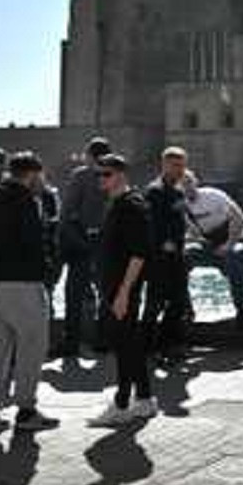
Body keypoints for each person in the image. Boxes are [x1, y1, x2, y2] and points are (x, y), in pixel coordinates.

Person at [0, 152, 56, 438]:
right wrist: (46, 271)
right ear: (32, 174)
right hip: (23, 283)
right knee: (31, 349)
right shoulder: (27, 201)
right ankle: (26, 411)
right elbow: (34, 242)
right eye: (41, 175)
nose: (42, 181)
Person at [91, 154, 158, 427]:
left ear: (120, 175)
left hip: (123, 288)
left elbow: (139, 254)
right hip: (115, 286)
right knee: (129, 342)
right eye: (99, 174)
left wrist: (123, 293)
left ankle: (121, 403)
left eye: (105, 174)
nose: (100, 179)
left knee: (124, 344)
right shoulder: (117, 204)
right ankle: (143, 399)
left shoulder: (132, 206)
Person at [58, 138, 111, 355]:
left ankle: (71, 341)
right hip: (108, 243)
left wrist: (73, 239)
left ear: (89, 155)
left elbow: (67, 212)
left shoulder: (81, 175)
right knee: (106, 294)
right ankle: (103, 339)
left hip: (83, 242)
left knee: (74, 294)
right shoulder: (115, 175)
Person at [144, 147, 195, 361]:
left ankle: (167, 345)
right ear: (164, 165)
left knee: (178, 301)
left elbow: (180, 220)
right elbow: (152, 222)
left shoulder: (179, 191)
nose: (180, 170)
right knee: (155, 302)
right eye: (175, 165)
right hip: (159, 256)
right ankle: (147, 346)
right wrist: (164, 243)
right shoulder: (154, 191)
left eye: (182, 165)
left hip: (177, 254)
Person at [182, 174, 243, 326]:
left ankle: (242, 313)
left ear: (195, 182)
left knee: (233, 257)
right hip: (210, 244)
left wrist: (229, 244)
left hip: (236, 239)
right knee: (181, 259)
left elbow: (240, 219)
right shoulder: (181, 205)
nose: (186, 187)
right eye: (181, 184)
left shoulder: (213, 195)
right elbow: (192, 233)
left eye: (188, 183)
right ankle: (187, 312)